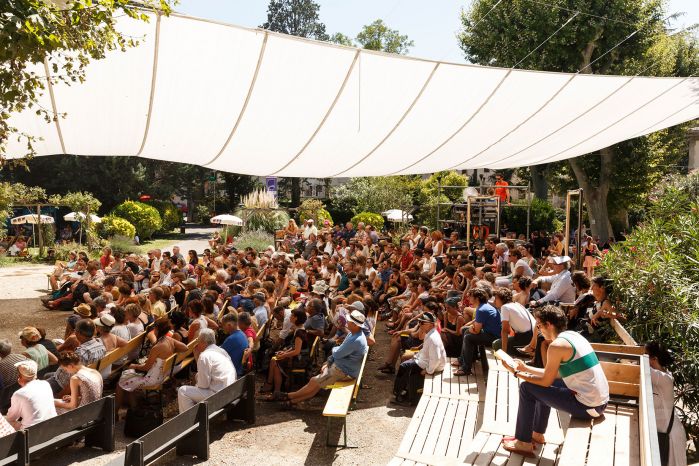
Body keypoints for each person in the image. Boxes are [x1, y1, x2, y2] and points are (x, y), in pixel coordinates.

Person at [501, 305, 609, 458]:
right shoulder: (573, 336)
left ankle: (523, 442)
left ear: (549, 324)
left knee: (526, 388)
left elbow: (545, 381)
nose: (538, 330)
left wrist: (516, 372)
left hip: (588, 407)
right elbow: (554, 375)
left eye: (539, 326)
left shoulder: (556, 346)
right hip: (600, 403)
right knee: (538, 385)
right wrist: (525, 368)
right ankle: (537, 434)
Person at [285, 310, 368, 407]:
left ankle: (288, 396)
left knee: (314, 381)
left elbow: (338, 353)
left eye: (349, 321)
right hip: (344, 368)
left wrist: (333, 353)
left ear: (355, 325)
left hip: (344, 371)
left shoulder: (356, 339)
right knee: (315, 384)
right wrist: (329, 361)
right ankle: (291, 401)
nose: (347, 322)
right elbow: (339, 352)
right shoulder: (354, 334)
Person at [116, 320, 187, 413]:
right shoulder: (169, 340)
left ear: (157, 330)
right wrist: (172, 351)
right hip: (162, 374)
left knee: (120, 382)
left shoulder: (157, 347)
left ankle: (117, 411)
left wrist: (134, 366)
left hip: (152, 379)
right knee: (126, 375)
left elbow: (146, 368)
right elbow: (185, 347)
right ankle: (133, 406)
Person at [645, 341, 687, 466]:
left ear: (654, 359)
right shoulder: (657, 377)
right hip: (663, 435)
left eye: (645, 355)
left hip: (672, 437)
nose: (643, 357)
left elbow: (640, 367)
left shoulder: (664, 378)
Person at [392, 312, 447, 404]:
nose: (420, 324)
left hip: (432, 365)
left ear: (431, 324)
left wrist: (428, 370)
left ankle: (400, 395)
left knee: (404, 366)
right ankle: (402, 392)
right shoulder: (430, 333)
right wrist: (417, 353)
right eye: (420, 322)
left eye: (422, 323)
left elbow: (436, 358)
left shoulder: (433, 338)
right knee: (405, 364)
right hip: (426, 360)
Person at [177, 328, 236, 413]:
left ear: (203, 342)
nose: (197, 344)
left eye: (198, 341)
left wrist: (197, 380)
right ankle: (196, 416)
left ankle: (190, 420)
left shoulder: (205, 356)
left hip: (219, 396)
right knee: (196, 383)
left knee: (183, 391)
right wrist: (197, 357)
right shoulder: (222, 351)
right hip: (231, 391)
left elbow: (203, 385)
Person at [260, 309, 309, 399]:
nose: (290, 317)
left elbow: (297, 351)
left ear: (296, 318)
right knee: (274, 359)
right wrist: (285, 352)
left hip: (300, 359)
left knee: (275, 362)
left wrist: (284, 355)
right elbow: (294, 347)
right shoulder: (298, 329)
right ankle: (271, 386)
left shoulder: (299, 333)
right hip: (298, 356)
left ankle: (275, 390)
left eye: (292, 316)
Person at [454, 287, 501, 376]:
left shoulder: (481, 309)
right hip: (490, 333)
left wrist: (469, 328)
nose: (468, 298)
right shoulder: (484, 306)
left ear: (477, 298)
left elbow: (476, 331)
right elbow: (476, 320)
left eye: (470, 296)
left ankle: (466, 369)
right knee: (465, 330)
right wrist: (467, 326)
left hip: (494, 337)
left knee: (468, 338)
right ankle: (468, 358)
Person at [6, 360, 57, 429]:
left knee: (6, 421)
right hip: (52, 425)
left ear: (19, 377)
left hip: (32, 432)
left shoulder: (19, 394)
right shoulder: (45, 384)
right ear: (35, 375)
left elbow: (11, 418)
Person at [492, 288, 535, 356]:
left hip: (527, 338)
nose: (494, 301)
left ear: (502, 299)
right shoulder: (517, 304)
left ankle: (529, 353)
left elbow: (505, 331)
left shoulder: (505, 307)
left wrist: (504, 352)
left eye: (496, 299)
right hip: (533, 336)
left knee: (496, 344)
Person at [220, 312, 249, 377]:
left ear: (229, 325)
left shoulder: (231, 339)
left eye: (223, 325)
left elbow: (219, 354)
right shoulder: (242, 334)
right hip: (239, 368)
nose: (222, 328)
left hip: (232, 371)